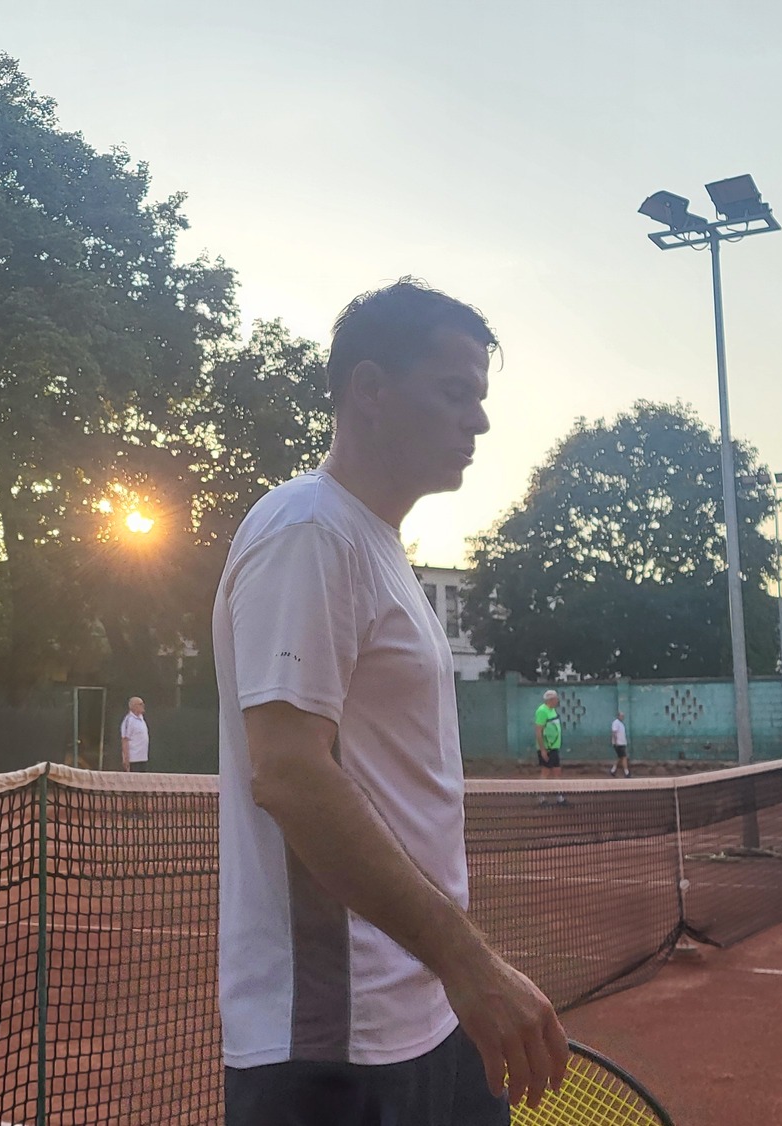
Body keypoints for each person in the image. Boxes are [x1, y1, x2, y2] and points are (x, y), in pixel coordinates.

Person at [215, 280, 565, 1126]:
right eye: (455, 393)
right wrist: (470, 965)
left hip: (429, 1014)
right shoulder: (308, 529)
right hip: (338, 1042)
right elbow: (290, 773)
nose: (479, 421)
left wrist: (456, 974)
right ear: (369, 389)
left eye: (480, 397)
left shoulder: (375, 545)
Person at [534, 690, 565, 801]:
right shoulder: (542, 711)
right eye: (556, 698)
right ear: (551, 700)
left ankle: (559, 797)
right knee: (545, 772)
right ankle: (541, 797)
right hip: (547, 748)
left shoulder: (552, 710)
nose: (557, 700)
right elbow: (538, 731)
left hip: (554, 747)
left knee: (557, 771)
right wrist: (543, 750)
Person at [120, 696, 149, 771]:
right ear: (134, 706)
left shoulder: (142, 719)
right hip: (133, 760)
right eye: (140, 704)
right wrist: (126, 759)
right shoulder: (129, 720)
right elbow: (125, 740)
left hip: (143, 758)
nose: (143, 706)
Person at [609, 711, 630, 778]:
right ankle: (627, 773)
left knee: (620, 757)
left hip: (622, 743)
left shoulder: (621, 724)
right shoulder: (616, 723)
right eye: (621, 716)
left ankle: (613, 770)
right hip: (619, 744)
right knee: (624, 757)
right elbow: (614, 733)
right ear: (618, 716)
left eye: (623, 716)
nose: (623, 717)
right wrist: (616, 742)